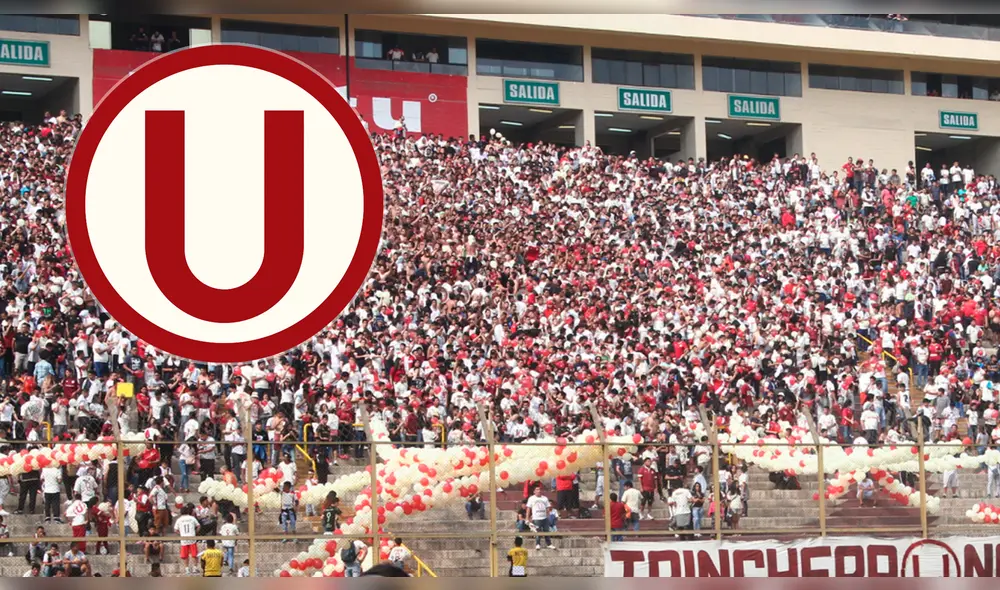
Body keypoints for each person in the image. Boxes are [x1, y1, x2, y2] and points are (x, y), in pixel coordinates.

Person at [525, 485, 555, 550]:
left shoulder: (545, 498)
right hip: (536, 518)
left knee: (546, 531)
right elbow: (528, 508)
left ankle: (549, 544)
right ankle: (538, 544)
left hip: (544, 517)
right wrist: (527, 518)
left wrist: (548, 516)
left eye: (539, 489)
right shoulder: (531, 498)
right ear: (534, 491)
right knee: (537, 531)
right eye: (537, 489)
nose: (539, 491)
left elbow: (547, 508)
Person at [174, 504, 200, 575]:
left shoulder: (179, 519)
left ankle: (187, 569)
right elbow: (198, 526)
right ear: (188, 511)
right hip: (192, 538)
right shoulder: (192, 518)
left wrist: (181, 534)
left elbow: (175, 530)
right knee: (194, 554)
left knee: (185, 555)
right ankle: (195, 568)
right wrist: (195, 532)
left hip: (184, 539)